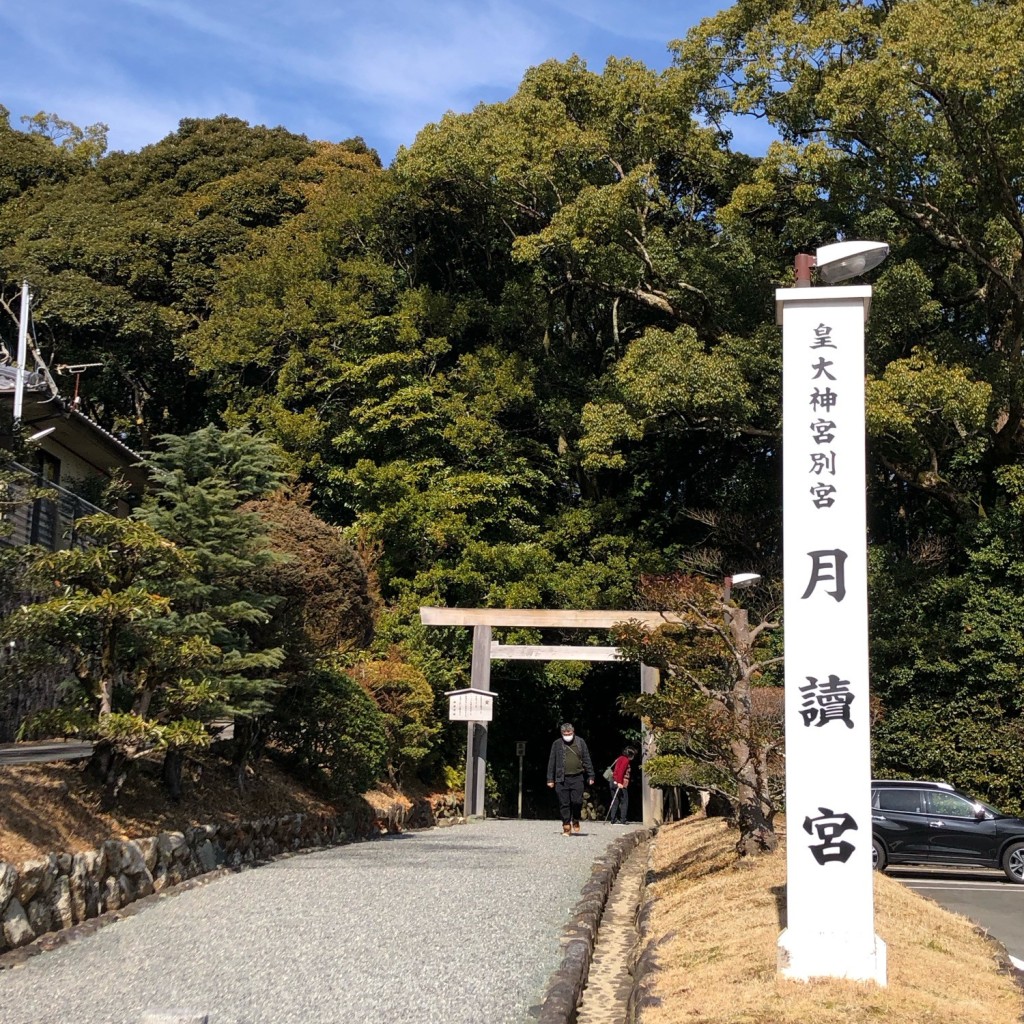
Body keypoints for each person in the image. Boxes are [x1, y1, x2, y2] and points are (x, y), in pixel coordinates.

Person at [546, 722, 595, 835]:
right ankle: (566, 825)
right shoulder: (557, 744)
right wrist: (550, 779)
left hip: (577, 777)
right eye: (565, 733)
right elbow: (551, 761)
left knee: (577, 801)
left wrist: (591, 775)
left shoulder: (580, 742)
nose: (567, 734)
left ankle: (576, 819)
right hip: (561, 778)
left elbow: (587, 759)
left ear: (573, 732)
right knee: (564, 803)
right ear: (561, 733)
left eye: (569, 732)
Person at [607, 746, 636, 824]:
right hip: (620, 782)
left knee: (615, 801)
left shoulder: (620, 758)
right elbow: (620, 771)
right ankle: (623, 819)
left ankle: (613, 819)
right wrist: (619, 782)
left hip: (612, 781)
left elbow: (616, 770)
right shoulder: (625, 760)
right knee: (624, 801)